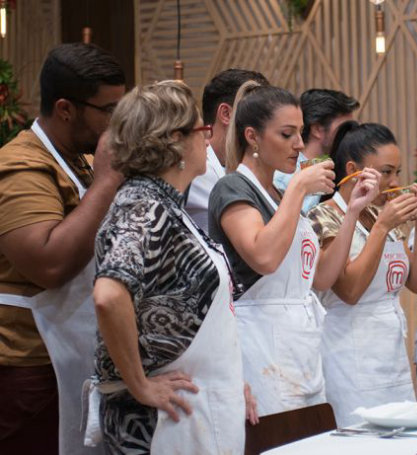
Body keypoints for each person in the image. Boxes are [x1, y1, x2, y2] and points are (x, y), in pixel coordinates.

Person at [90, 80, 249, 454]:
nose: (208, 140)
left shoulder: (166, 203)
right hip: (162, 424)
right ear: (175, 139)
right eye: (202, 130)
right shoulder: (144, 207)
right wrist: (140, 385)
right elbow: (109, 296)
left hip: (195, 406)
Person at [209, 82, 378, 417]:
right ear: (252, 137)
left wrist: (353, 212)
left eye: (300, 133)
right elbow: (264, 257)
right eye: (287, 135)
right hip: (259, 344)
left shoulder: (277, 194)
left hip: (302, 344)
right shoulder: (232, 187)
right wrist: (299, 187)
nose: (299, 145)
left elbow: (322, 278)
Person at [0, 43, 125, 455]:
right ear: (65, 108)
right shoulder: (20, 166)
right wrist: (108, 182)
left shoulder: (78, 159)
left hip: (70, 358)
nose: (116, 123)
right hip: (28, 367)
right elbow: (48, 264)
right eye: (108, 111)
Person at [308, 121, 417, 426]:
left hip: (391, 356)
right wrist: (382, 227)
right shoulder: (322, 216)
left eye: (397, 173)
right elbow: (349, 291)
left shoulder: (381, 214)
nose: (394, 182)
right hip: (348, 358)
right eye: (386, 172)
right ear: (353, 169)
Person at [186, 68, 269, 232]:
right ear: (226, 113)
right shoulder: (196, 170)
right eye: (258, 113)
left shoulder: (256, 164)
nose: (265, 124)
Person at [273, 88, 359, 213]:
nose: (350, 135)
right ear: (318, 129)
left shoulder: (334, 169)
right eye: (344, 129)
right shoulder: (285, 176)